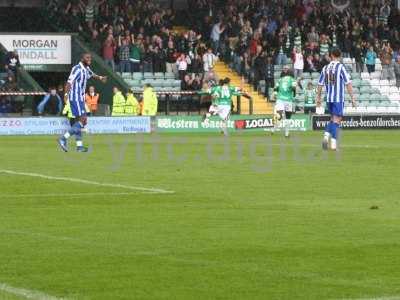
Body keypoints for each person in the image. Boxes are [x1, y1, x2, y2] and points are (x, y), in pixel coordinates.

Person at [58, 53, 107, 152]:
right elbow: (69, 82)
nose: (89, 59)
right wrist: (66, 95)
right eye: (87, 58)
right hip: (75, 97)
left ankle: (79, 146)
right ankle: (63, 138)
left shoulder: (86, 68)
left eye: (90, 58)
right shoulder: (77, 69)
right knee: (83, 120)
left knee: (80, 122)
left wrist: (100, 78)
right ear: (82, 59)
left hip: (80, 98)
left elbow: (92, 74)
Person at [316, 48, 356, 151]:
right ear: (339, 55)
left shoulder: (325, 68)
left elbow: (320, 84)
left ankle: (326, 137)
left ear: (331, 55)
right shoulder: (340, 67)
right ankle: (333, 144)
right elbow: (348, 83)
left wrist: (318, 98)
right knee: (337, 120)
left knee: (333, 119)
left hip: (329, 98)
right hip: (338, 98)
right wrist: (353, 98)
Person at [271, 67, 297, 138]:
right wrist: (294, 94)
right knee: (288, 118)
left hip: (280, 99)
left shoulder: (280, 80)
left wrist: (275, 94)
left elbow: (275, 88)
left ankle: (273, 129)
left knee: (279, 115)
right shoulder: (293, 80)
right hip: (288, 100)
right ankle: (286, 133)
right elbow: (294, 89)